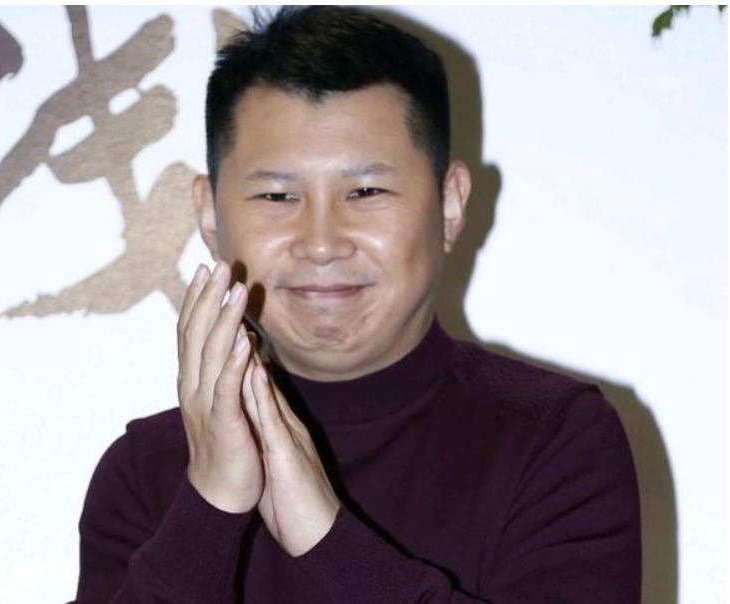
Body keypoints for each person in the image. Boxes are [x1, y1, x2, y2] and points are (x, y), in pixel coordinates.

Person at [74, 6, 641, 603]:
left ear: (449, 205)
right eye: (277, 195)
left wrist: (326, 539)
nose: (321, 243)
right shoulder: (145, 471)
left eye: (365, 191)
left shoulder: (554, 439)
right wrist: (208, 509)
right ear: (210, 216)